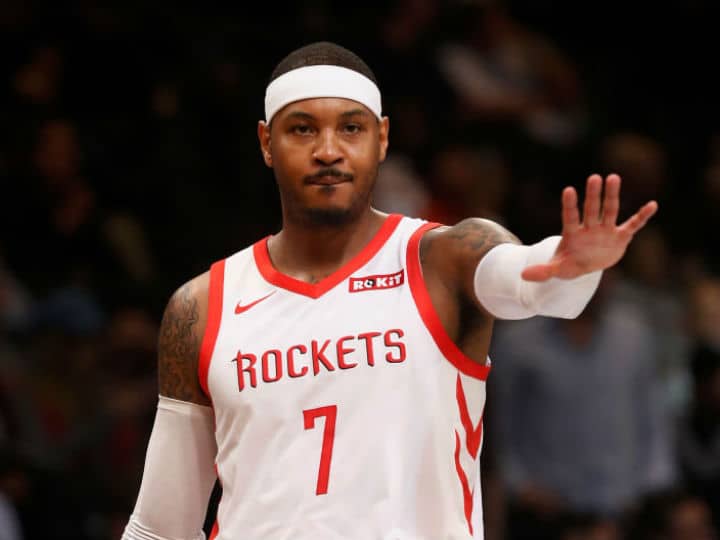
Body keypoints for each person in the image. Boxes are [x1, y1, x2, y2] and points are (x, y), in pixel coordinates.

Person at [121, 41, 658, 540]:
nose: (328, 150)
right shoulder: (202, 306)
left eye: (350, 128)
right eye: (302, 129)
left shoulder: (444, 258)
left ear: (381, 138)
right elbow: (160, 527)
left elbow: (528, 281)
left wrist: (569, 267)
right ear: (266, 142)